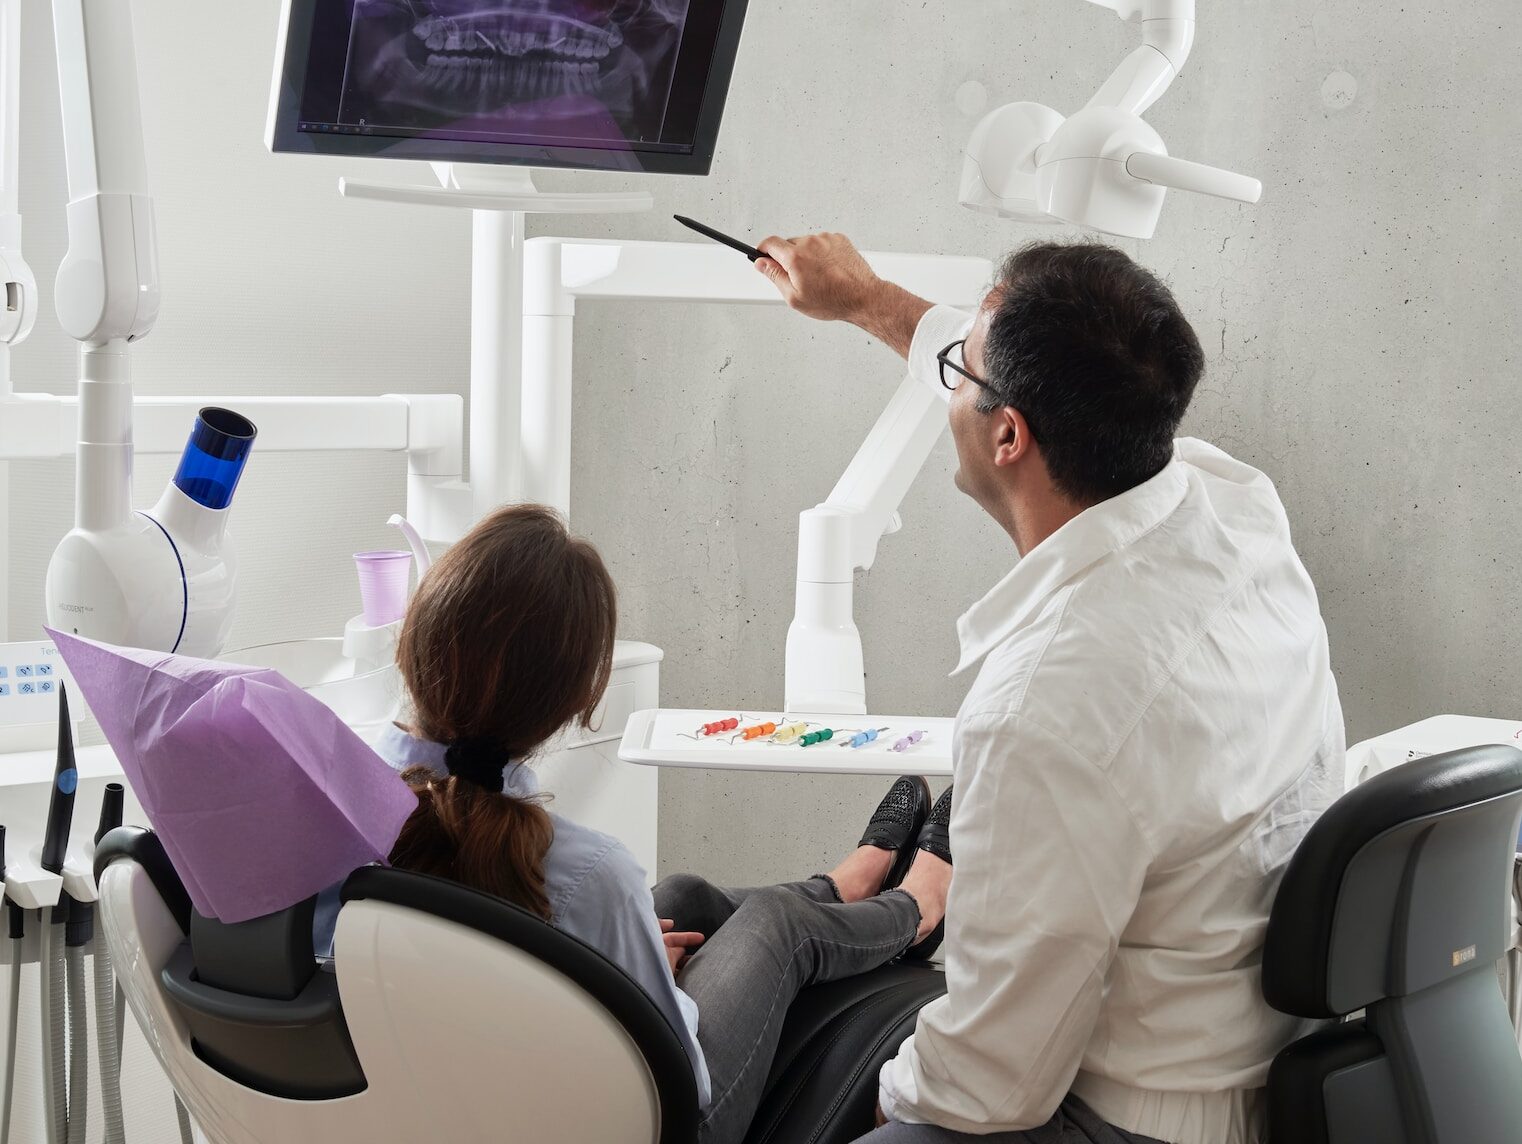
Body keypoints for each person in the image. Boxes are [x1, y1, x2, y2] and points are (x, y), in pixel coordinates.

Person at [754, 235, 1345, 1144]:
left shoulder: (1048, 705)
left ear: (1009, 436)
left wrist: (866, 1113)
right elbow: (1014, 371)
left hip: (1120, 1119)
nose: (951, 377)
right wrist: (865, 297)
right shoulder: (1234, 503)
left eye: (962, 370)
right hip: (1252, 1051)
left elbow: (986, 1086)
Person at [378, 502, 956, 1144]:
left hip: (459, 1101)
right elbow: (680, 1077)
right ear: (577, 703)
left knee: (682, 896)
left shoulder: (346, 814)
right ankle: (916, 910)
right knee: (776, 923)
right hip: (658, 1125)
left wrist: (627, 961)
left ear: (413, 636)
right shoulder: (591, 873)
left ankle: (840, 891)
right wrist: (648, 987)